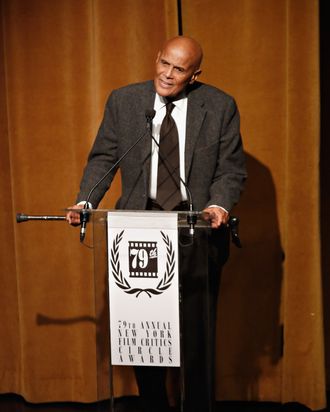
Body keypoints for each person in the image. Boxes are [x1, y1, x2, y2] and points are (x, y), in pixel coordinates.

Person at [67, 36, 247, 412]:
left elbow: (230, 170)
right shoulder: (124, 101)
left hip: (196, 231)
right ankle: (153, 406)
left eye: (178, 69)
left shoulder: (219, 106)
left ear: (195, 74)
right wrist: (86, 201)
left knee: (196, 338)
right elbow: (103, 158)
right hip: (138, 230)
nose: (166, 74)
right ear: (156, 58)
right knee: (145, 334)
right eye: (163, 63)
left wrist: (218, 205)